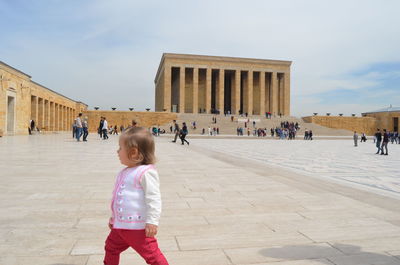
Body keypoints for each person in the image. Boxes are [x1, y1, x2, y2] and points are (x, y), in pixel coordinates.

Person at [103, 127, 169, 265]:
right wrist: (114, 218)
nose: (117, 151)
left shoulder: (146, 172)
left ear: (133, 152)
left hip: (137, 228)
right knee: (111, 247)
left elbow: (154, 198)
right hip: (119, 227)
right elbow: (119, 199)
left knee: (152, 256)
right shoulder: (124, 172)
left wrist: (152, 221)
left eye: (120, 148)